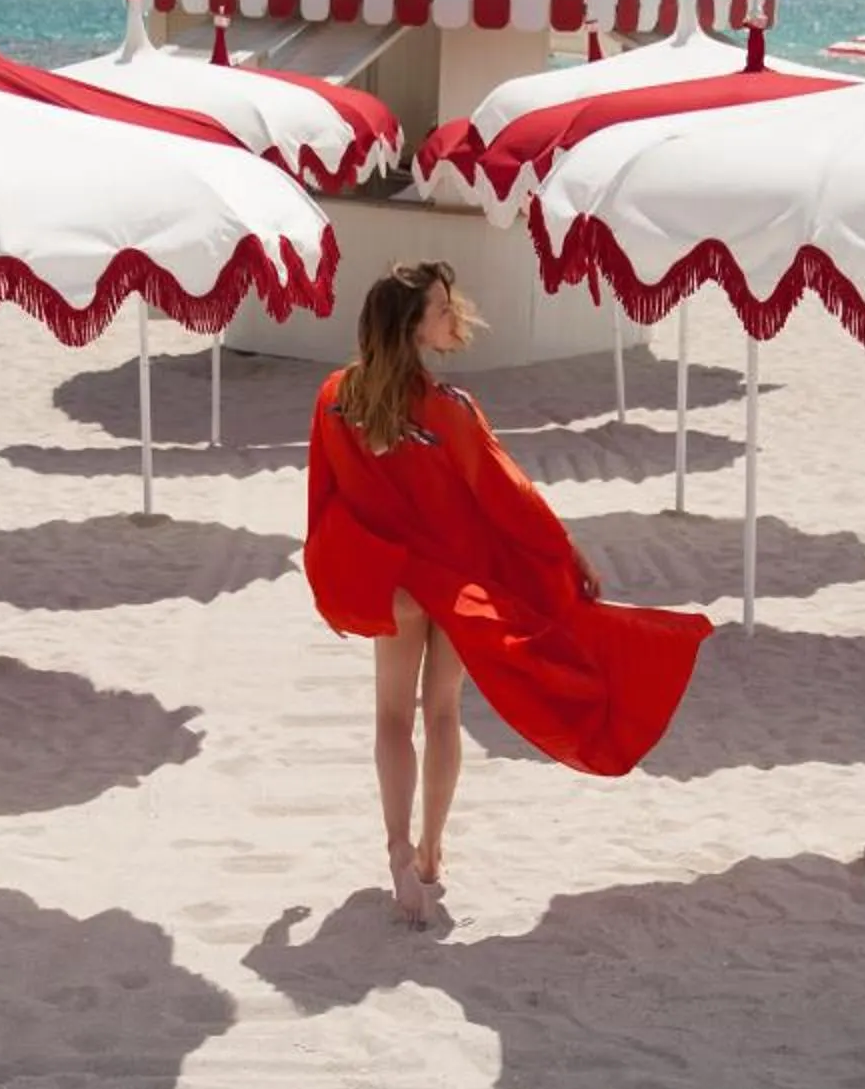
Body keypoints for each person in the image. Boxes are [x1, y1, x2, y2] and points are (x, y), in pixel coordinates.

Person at [304, 261, 714, 926]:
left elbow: (324, 495)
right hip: (460, 584)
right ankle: (434, 850)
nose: (452, 315)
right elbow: (508, 496)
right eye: (440, 308)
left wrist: (344, 577)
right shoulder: (451, 409)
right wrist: (565, 552)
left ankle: (398, 850)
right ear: (411, 327)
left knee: (388, 717)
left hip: (395, 583)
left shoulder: (335, 398)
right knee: (441, 713)